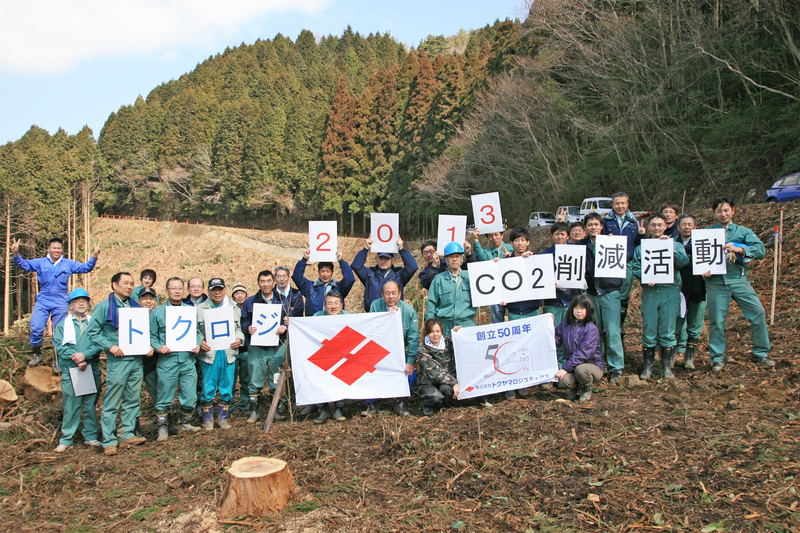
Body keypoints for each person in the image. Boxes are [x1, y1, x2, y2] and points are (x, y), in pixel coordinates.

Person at [78, 272, 151, 456]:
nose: (129, 286)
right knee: (112, 400)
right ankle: (109, 439)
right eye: (125, 283)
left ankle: (126, 433)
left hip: (136, 359)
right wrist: (110, 346)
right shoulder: (104, 307)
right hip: (118, 360)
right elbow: (93, 333)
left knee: (133, 399)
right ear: (114, 285)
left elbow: (141, 331)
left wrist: (147, 346)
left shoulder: (135, 306)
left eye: (132, 284)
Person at [702, 197, 773, 372]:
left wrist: (741, 249)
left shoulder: (743, 231)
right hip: (716, 282)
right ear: (714, 213)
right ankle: (717, 358)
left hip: (739, 279)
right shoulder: (706, 233)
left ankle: (760, 352)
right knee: (717, 321)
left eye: (726, 210)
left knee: (758, 312)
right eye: (719, 211)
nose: (723, 214)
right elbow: (699, 256)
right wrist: (704, 268)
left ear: (733, 211)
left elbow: (760, 250)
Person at [11, 237, 101, 371]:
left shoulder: (68, 264)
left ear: (62, 250)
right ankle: (37, 353)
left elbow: (85, 268)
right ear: (48, 249)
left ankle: (57, 359)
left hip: (60, 300)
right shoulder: (41, 262)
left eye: (59, 248)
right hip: (43, 298)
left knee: (58, 331)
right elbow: (24, 265)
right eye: (54, 248)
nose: (56, 250)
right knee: (36, 327)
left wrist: (94, 256)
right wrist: (16, 254)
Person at [630, 214, 689, 380]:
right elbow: (634, 267)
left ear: (666, 226)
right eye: (653, 225)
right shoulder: (641, 248)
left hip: (669, 290)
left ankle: (667, 368)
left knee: (668, 329)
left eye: (659, 225)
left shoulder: (675, 244)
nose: (656, 228)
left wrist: (669, 247)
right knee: (649, 329)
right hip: (650, 291)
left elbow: (684, 262)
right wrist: (644, 276)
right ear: (649, 227)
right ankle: (647, 367)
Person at [149, 277, 202, 441]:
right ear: (166, 291)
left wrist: (198, 344)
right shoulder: (158, 313)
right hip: (168, 361)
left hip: (187, 360)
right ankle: (163, 427)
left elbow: (197, 332)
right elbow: (150, 336)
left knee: (190, 395)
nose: (177, 291)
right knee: (164, 395)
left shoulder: (189, 310)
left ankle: (185, 422)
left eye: (180, 288)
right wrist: (159, 347)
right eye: (173, 288)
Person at [53, 288, 102, 453]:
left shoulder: (93, 322)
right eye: (77, 301)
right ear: (71, 305)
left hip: (91, 368)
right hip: (71, 369)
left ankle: (90, 436)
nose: (81, 303)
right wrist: (77, 359)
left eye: (84, 300)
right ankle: (66, 438)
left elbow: (98, 342)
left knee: (90, 404)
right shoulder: (63, 324)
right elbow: (59, 346)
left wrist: (85, 356)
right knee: (71, 405)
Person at [364, 281, 418, 417]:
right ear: (382, 295)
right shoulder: (375, 306)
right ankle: (371, 404)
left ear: (400, 294)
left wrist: (410, 361)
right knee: (365, 369)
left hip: (399, 354)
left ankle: (400, 403)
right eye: (387, 293)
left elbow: (413, 339)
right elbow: (370, 331)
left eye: (394, 293)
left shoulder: (409, 311)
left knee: (411, 373)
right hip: (377, 353)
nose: (391, 296)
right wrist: (386, 317)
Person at [240, 271, 288, 424]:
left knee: (275, 378)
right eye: (262, 281)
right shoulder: (250, 302)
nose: (266, 284)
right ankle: (254, 412)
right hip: (257, 347)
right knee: (255, 379)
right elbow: (243, 322)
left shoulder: (282, 300)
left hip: (276, 347)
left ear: (273, 282)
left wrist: (284, 326)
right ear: (258, 283)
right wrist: (248, 328)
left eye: (268, 281)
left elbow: (289, 319)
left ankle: (276, 410)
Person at [498, 227, 540, 399]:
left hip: (533, 309)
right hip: (515, 311)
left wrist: (531, 260)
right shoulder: (505, 262)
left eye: (523, 240)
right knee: (514, 348)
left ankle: (528, 381)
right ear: (512, 243)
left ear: (528, 242)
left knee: (531, 347)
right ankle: (513, 382)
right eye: (516, 240)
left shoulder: (534, 260)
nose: (520, 243)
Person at [196, 278, 244, 430]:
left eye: (220, 289)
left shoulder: (234, 307)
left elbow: (239, 328)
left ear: (224, 290)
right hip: (210, 353)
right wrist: (200, 341)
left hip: (228, 352)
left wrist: (239, 339)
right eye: (214, 290)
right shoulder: (200, 309)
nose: (217, 292)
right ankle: (207, 418)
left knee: (227, 385)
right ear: (209, 291)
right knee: (208, 386)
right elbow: (195, 330)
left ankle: (223, 418)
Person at [583, 213, 625, 385]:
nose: (593, 227)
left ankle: (616, 367)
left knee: (613, 331)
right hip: (592, 294)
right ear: (585, 228)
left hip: (610, 292)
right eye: (590, 224)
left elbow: (627, 255)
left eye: (596, 224)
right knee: (595, 332)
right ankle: (599, 365)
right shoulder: (581, 247)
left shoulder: (611, 243)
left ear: (601, 226)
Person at [539, 222, 583, 367]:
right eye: (556, 234)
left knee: (571, 336)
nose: (559, 237)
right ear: (552, 236)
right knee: (552, 336)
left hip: (571, 301)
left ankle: (568, 367)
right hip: (553, 302)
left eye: (562, 234)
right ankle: (551, 368)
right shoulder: (544, 255)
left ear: (567, 236)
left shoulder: (577, 253)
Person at [601, 192, 646, 333]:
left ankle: (620, 323)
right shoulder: (605, 222)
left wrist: (642, 234)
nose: (620, 206)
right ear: (613, 205)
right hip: (609, 262)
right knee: (608, 292)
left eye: (623, 203)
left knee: (624, 294)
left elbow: (639, 245)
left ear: (627, 204)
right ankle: (607, 322)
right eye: (617, 203)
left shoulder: (634, 222)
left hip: (628, 262)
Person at [309, 291, 350, 423]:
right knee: (319, 377)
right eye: (330, 303)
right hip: (323, 355)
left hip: (343, 356)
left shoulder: (349, 317)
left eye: (336, 303)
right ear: (325, 306)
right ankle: (324, 410)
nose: (333, 306)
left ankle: (338, 408)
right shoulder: (317, 317)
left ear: (342, 305)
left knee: (344, 375)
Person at [554, 294, 602, 402]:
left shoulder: (592, 329)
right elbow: (555, 340)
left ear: (588, 310)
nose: (578, 311)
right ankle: (575, 388)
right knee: (562, 381)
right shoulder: (565, 325)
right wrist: (549, 323)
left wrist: (565, 368)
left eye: (582, 308)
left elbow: (583, 353)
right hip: (573, 367)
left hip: (592, 366)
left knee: (581, 370)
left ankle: (586, 389)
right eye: (576, 308)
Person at [674, 214, 706, 370]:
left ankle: (689, 358)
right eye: (683, 224)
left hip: (697, 286)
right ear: (678, 227)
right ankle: (672, 356)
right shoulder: (672, 242)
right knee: (676, 323)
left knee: (694, 324)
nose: (686, 227)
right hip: (678, 287)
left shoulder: (703, 243)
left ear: (695, 227)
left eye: (690, 224)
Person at [351, 236, 418, 312]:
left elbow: (413, 267)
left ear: (392, 260)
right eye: (381, 258)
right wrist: (366, 248)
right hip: (373, 314)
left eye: (386, 259)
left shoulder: (399, 274)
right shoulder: (369, 273)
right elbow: (356, 266)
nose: (383, 261)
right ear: (377, 259)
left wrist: (402, 250)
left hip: (393, 313)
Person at [427, 242, 476, 336]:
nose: (454, 259)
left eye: (457, 256)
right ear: (445, 259)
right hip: (445, 327)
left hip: (466, 325)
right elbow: (431, 305)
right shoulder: (439, 279)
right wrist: (431, 327)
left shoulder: (471, 277)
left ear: (462, 258)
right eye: (451, 256)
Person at [292, 249, 355, 317]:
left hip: (335, 323)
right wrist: (304, 259)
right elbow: (297, 277)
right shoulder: (310, 287)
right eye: (322, 271)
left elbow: (350, 279)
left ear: (332, 272)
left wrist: (341, 261)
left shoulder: (339, 287)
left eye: (328, 271)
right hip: (314, 323)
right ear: (318, 272)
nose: (325, 274)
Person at [417, 318, 460, 415]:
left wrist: (458, 333)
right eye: (432, 332)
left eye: (438, 331)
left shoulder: (448, 342)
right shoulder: (422, 349)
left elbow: (462, 343)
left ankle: (446, 404)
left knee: (447, 390)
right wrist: (454, 383)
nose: (435, 334)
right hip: (428, 382)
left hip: (445, 382)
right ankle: (428, 405)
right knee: (435, 397)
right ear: (427, 332)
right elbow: (435, 371)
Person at [471, 227, 513, 323]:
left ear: (502, 235)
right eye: (490, 236)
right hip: (495, 290)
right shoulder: (487, 252)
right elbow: (480, 255)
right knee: (497, 318)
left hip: (511, 288)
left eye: (496, 234)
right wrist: (476, 239)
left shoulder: (511, 248)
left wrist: (510, 257)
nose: (494, 238)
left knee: (514, 316)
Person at [137, 287, 160, 437]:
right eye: (144, 298)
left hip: (153, 363)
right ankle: (134, 427)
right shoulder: (132, 316)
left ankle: (164, 423)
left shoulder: (158, 315)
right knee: (133, 398)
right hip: (135, 363)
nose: (148, 301)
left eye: (151, 298)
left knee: (159, 395)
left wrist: (155, 347)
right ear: (139, 301)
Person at [230, 282, 251, 414]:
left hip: (246, 349)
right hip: (232, 349)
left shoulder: (250, 308)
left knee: (246, 379)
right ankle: (229, 405)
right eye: (237, 293)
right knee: (230, 380)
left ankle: (245, 404)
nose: (239, 296)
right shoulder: (229, 310)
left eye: (242, 293)